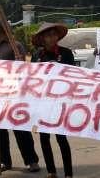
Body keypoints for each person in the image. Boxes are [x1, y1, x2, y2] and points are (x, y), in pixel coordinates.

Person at [0, 17, 41, 174]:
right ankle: (4, 161)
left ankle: (31, 161)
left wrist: (21, 61)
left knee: (21, 130)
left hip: (15, 95)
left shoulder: (15, 46)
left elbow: (25, 67)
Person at [32, 23, 75, 178]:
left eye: (54, 34)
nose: (51, 38)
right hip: (42, 102)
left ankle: (68, 173)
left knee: (61, 138)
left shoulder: (66, 53)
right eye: (48, 35)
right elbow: (32, 78)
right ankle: (51, 171)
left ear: (58, 37)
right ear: (42, 39)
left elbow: (74, 76)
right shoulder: (37, 56)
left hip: (60, 102)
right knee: (44, 138)